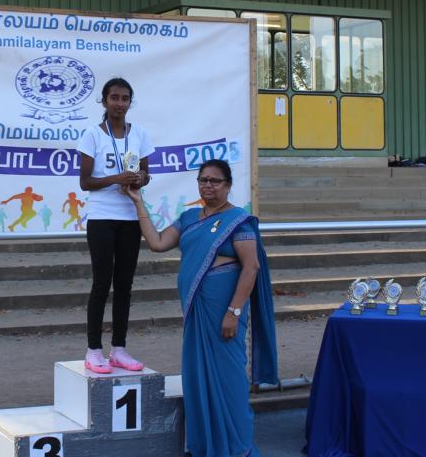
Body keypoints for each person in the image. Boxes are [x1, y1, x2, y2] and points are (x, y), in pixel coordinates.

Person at [125, 159, 278, 457]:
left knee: (230, 381)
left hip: (225, 315)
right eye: (203, 180)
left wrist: (234, 312)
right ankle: (207, 447)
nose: (208, 185)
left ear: (228, 185)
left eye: (215, 181)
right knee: (197, 379)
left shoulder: (238, 220)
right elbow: (157, 242)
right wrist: (137, 201)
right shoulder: (190, 218)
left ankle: (238, 449)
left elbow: (251, 267)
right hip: (197, 313)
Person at [77, 77, 154, 374]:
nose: (119, 103)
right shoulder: (92, 135)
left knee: (124, 285)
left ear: (130, 102)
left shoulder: (140, 133)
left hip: (130, 217)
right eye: (114, 98)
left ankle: (119, 349)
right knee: (101, 283)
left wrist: (139, 178)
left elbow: (147, 174)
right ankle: (93, 350)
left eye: (125, 98)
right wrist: (116, 179)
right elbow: (85, 182)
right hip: (101, 218)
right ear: (104, 100)